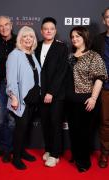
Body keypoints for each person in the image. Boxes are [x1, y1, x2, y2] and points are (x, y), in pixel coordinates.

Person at [66, 26, 107, 172]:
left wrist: (93, 98)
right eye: (72, 37)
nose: (75, 39)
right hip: (70, 101)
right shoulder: (70, 56)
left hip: (86, 100)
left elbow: (99, 79)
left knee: (84, 133)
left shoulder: (93, 56)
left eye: (78, 36)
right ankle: (76, 155)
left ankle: (84, 161)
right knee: (74, 131)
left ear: (85, 37)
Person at [6, 26, 41, 170]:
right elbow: (11, 79)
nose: (28, 39)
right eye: (25, 36)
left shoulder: (31, 54)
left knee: (26, 128)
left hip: (33, 98)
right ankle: (16, 157)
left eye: (31, 36)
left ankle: (21, 151)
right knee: (20, 128)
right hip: (21, 99)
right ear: (20, 39)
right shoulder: (15, 55)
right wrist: (13, 97)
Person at [35, 17, 68, 167]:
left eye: (51, 28)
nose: (48, 31)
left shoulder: (61, 47)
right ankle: (49, 149)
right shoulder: (37, 46)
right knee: (46, 123)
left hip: (56, 94)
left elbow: (61, 72)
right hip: (40, 93)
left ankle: (55, 154)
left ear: (55, 31)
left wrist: (51, 92)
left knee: (55, 123)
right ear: (41, 31)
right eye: (45, 28)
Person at [0, 16, 16, 162]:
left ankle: (11, 149)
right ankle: (5, 147)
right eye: (0, 26)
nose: (4, 28)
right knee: (0, 119)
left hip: (14, 87)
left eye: (6, 25)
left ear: (11, 25)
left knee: (12, 120)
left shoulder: (19, 40)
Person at [91, 7, 109, 168]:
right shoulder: (98, 40)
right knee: (105, 123)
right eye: (108, 17)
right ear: (104, 20)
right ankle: (105, 152)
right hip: (105, 88)